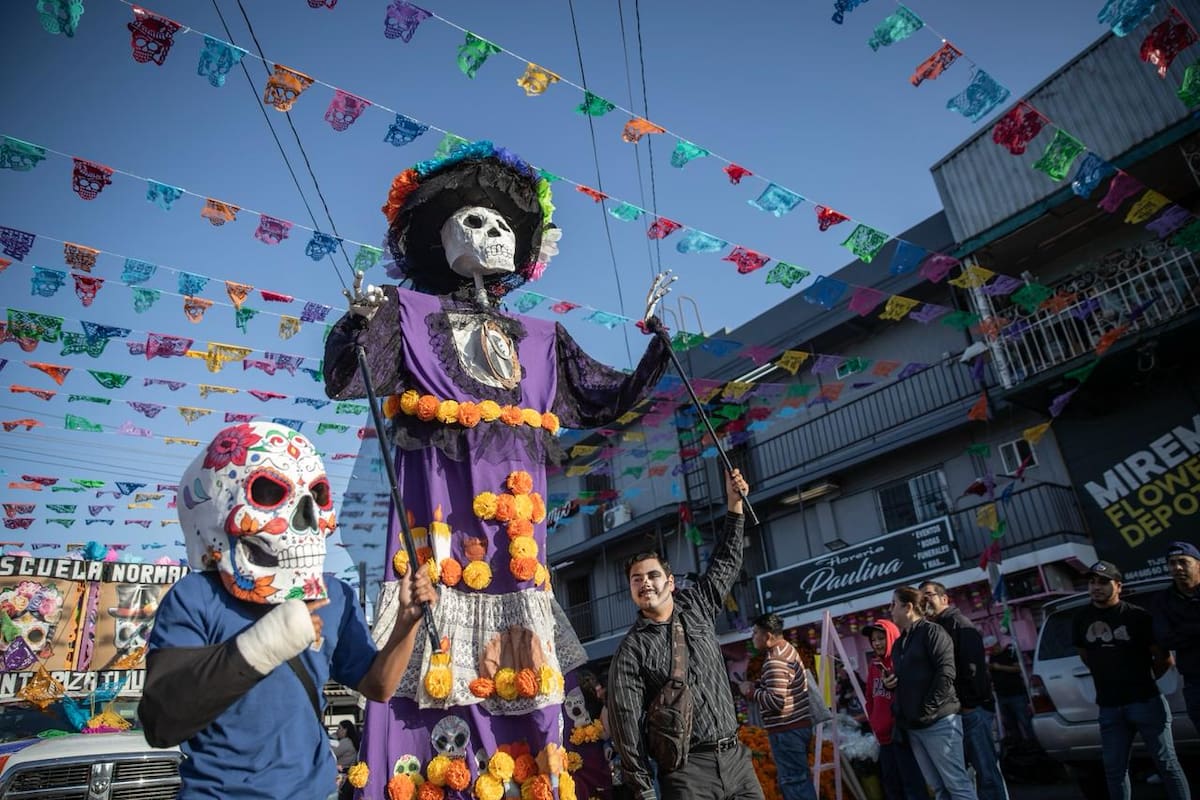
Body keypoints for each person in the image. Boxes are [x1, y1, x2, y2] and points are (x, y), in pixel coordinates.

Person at [322, 140, 672, 798]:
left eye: (502, 223)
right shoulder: (408, 314)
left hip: (515, 545)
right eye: (471, 220)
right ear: (439, 237)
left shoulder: (543, 340)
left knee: (524, 695)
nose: (487, 231)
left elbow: (602, 396)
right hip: (435, 532)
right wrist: (354, 323)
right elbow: (346, 377)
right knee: (424, 680)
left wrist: (657, 350)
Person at [139, 422, 437, 800]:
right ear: (223, 502)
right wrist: (266, 643)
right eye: (268, 493)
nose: (309, 517)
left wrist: (405, 623)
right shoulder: (194, 596)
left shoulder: (336, 597)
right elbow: (161, 723)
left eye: (317, 496)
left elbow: (378, 687)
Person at [608, 469, 763, 800]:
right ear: (632, 590)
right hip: (686, 772)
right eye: (636, 579)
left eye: (652, 575)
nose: (645, 583)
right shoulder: (631, 650)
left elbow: (725, 564)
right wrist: (643, 788)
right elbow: (626, 724)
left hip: (736, 758)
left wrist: (734, 507)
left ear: (670, 582)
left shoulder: (697, 606)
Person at [1072, 560, 1191, 800]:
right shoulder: (1081, 618)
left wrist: (1140, 678)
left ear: (1118, 586)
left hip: (1146, 702)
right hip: (1108, 707)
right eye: (1092, 582)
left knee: (1167, 764)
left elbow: (1164, 659)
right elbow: (1086, 656)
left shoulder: (1138, 617)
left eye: (1103, 582)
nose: (1096, 587)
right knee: (1114, 770)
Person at [919, 581, 1008, 800]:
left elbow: (973, 670)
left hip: (972, 711)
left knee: (986, 771)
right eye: (922, 597)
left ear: (944, 598)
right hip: (955, 714)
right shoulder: (934, 629)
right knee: (965, 776)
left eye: (929, 595)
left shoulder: (958, 624)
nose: (925, 600)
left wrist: (968, 706)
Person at [889, 585, 977, 800]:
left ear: (908, 607)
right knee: (938, 789)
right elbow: (911, 677)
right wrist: (892, 683)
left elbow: (946, 672)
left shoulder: (932, 631)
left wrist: (927, 708)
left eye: (893, 605)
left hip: (939, 722)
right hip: (914, 726)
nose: (890, 610)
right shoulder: (900, 643)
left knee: (957, 786)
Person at [737, 612, 815, 800]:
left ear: (768, 636)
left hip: (786, 731)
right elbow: (781, 690)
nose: (753, 637)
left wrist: (750, 692)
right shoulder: (787, 649)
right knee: (800, 781)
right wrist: (757, 686)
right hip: (797, 727)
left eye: (756, 633)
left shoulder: (775, 661)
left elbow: (777, 702)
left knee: (794, 784)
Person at [861, 619, 928, 800]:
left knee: (912, 785)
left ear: (891, 637)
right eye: (873, 640)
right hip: (883, 740)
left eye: (881, 638)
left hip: (902, 735)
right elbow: (870, 699)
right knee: (892, 787)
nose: (876, 643)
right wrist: (875, 722)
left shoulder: (901, 662)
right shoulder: (874, 666)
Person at [1151, 540, 1200, 733]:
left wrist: (1184, 628)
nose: (1177, 567)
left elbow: (1175, 635)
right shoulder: (1162, 601)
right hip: (1195, 680)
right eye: (1172, 563)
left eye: (1183, 561)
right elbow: (1166, 639)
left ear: (1198, 564)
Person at [984, 636, 1033, 743]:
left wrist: (1000, 667)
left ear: (996, 645)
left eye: (992, 649)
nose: (990, 652)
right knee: (1010, 724)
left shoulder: (1009, 652)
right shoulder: (991, 658)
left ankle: (1034, 745)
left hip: (1016, 694)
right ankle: (1018, 747)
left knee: (1025, 721)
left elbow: (1018, 668)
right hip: (1002, 696)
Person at [334, 720, 361, 800]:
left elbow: (333, 753)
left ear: (345, 730)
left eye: (339, 728)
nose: (337, 731)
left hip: (341, 775)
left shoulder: (345, 742)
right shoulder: (352, 741)